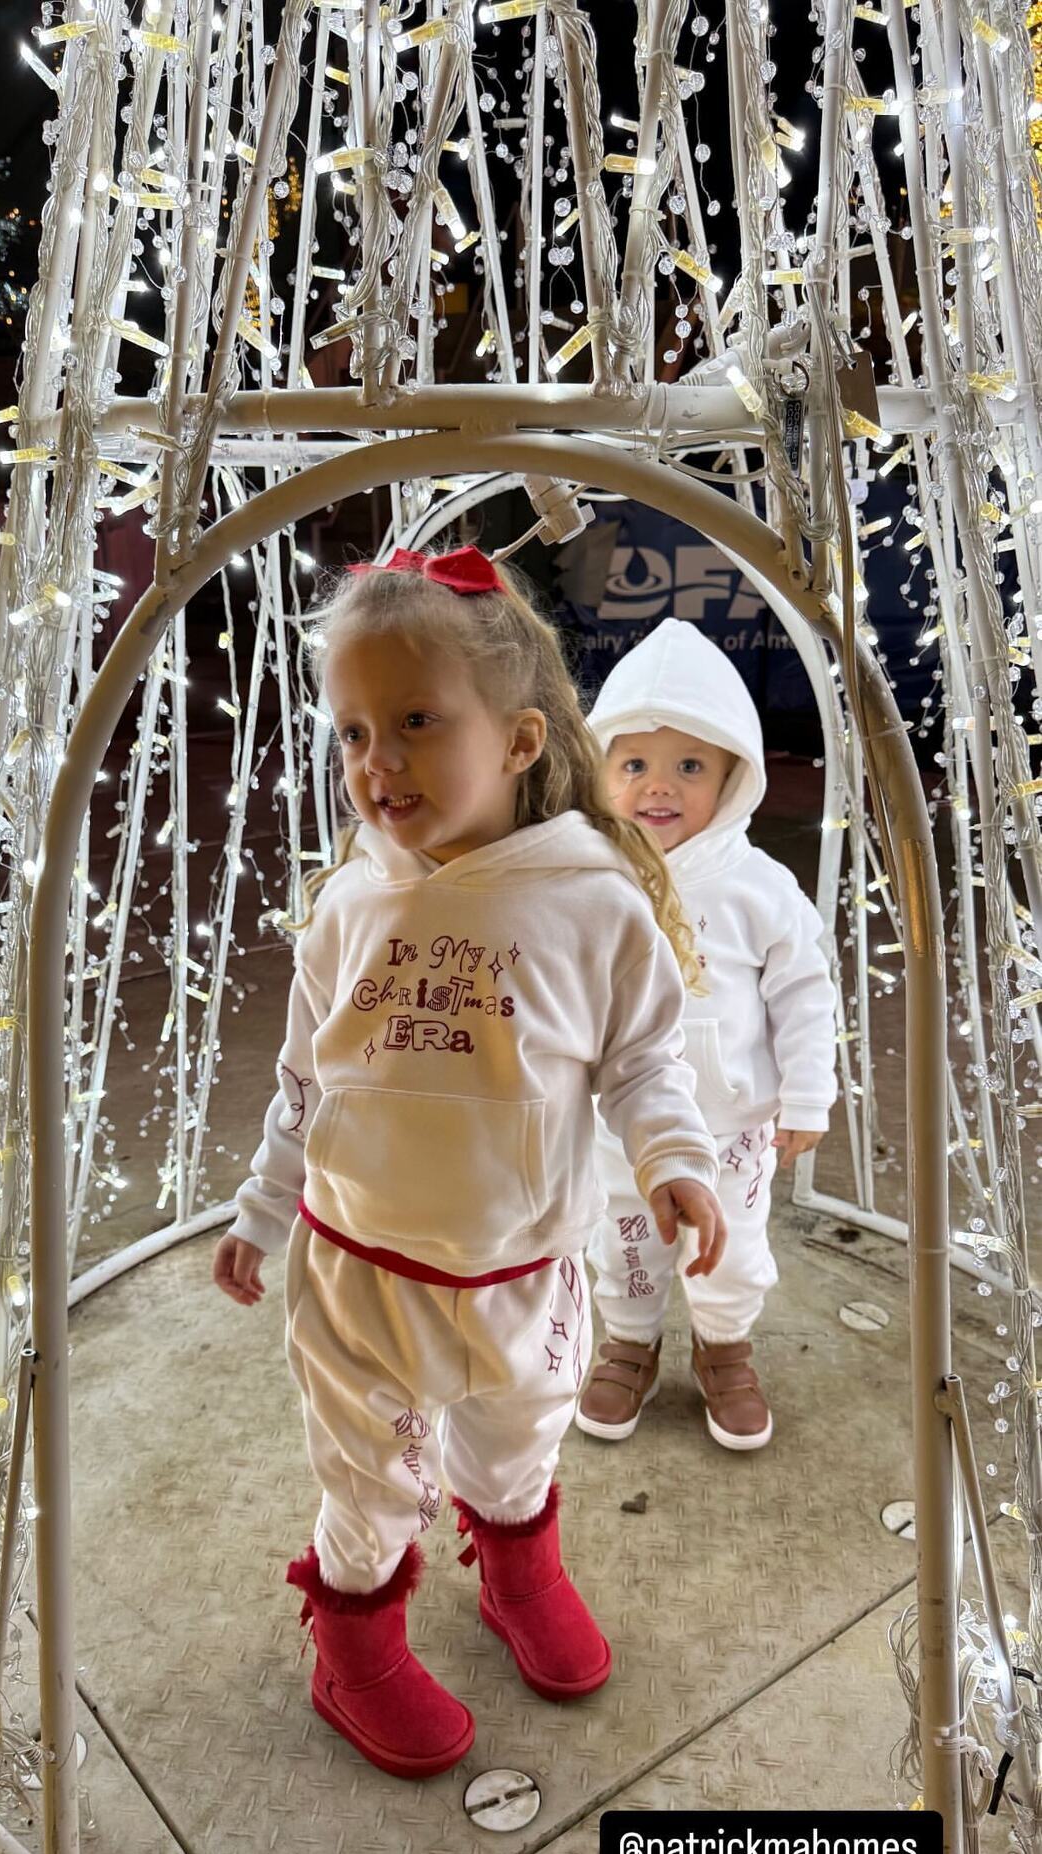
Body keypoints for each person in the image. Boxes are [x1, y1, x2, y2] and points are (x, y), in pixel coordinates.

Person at [213, 546, 725, 1782]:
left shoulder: (593, 899)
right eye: (349, 732)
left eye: (415, 722)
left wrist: (673, 1158)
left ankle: (516, 1567)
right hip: (360, 1274)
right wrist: (265, 1203)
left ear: (517, 739)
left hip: (524, 1266)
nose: (374, 763)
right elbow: (304, 1076)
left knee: (515, 1437)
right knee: (371, 1477)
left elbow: (647, 1059)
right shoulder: (349, 905)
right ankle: (356, 1642)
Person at [576, 617, 837, 1454]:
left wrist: (805, 1095)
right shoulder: (588, 880)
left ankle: (724, 1349)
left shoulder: (759, 887)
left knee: (729, 1249)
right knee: (623, 1238)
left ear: (733, 775)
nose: (659, 786)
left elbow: (803, 991)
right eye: (635, 764)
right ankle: (629, 1340)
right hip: (621, 1125)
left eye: (689, 765)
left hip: (730, 1124)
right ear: (601, 771)